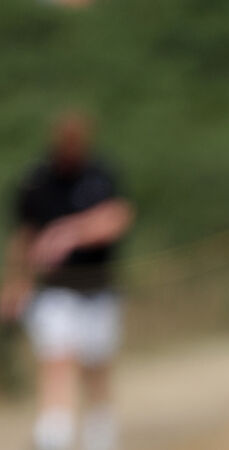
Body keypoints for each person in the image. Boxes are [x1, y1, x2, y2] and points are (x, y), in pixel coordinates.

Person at [0, 110, 134, 450]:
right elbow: (24, 236)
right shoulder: (36, 181)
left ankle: (99, 441)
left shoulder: (100, 175)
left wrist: (69, 233)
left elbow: (117, 217)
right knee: (57, 364)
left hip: (98, 291)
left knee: (96, 370)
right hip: (54, 292)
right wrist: (16, 283)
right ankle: (53, 440)